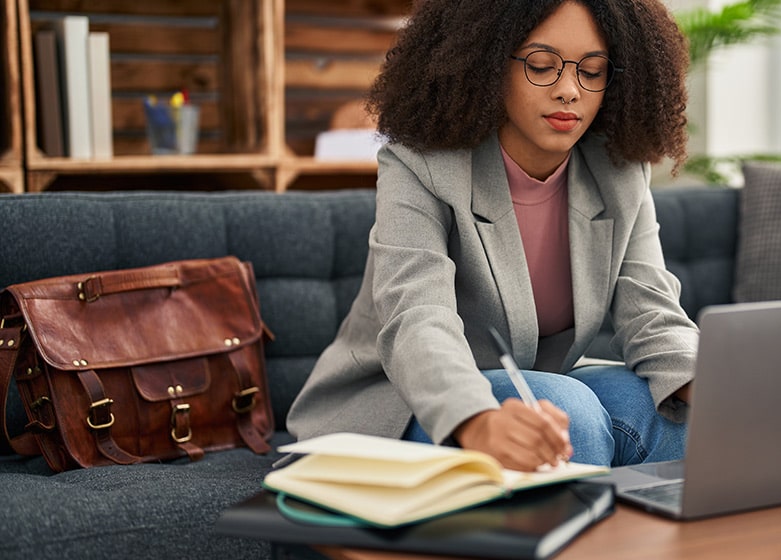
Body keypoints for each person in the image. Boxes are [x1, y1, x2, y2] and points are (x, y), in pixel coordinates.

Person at [287, 0, 698, 471]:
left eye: (593, 71)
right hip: (407, 397)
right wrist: (477, 416)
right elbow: (417, 319)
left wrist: (716, 383)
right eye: (541, 66)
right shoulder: (420, 164)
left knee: (671, 416)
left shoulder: (620, 171)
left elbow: (653, 315)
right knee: (570, 415)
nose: (569, 90)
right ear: (489, 61)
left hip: (539, 385)